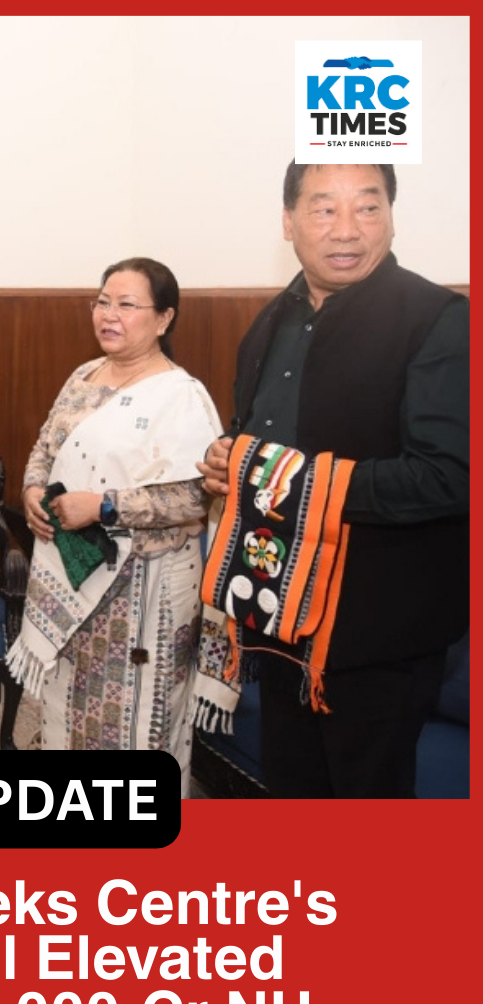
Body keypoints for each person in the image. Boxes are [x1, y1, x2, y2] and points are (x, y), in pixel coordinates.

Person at [197, 162, 469, 798]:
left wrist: (293, 484)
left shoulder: (439, 318)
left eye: (368, 208)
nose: (347, 229)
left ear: (391, 217)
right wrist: (229, 459)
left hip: (379, 629)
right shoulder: (268, 323)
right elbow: (260, 439)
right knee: (295, 796)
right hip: (278, 612)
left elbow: (449, 476)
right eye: (324, 209)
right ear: (288, 221)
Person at [7, 258, 221, 789]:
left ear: (164, 318)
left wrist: (102, 507)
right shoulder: (82, 375)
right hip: (71, 573)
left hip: (143, 587)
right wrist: (32, 490)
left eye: (126, 304)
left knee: (137, 721)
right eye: (102, 302)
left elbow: (194, 496)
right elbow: (45, 446)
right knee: (68, 704)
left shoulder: (180, 396)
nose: (109, 314)